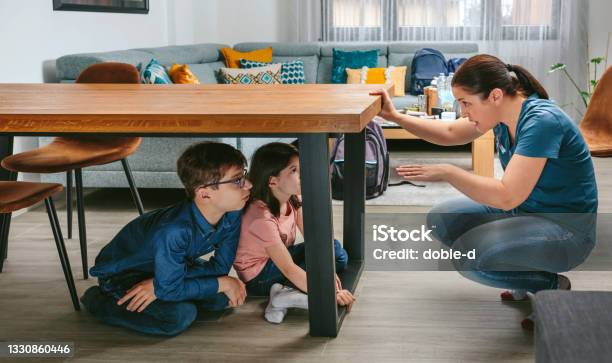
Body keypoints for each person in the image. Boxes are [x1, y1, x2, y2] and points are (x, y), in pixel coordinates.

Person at [371, 54, 598, 329]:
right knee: (442, 218)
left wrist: (449, 172)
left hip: (567, 231)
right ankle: (522, 271)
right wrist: (394, 116)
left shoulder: (541, 122)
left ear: (495, 96)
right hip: (526, 213)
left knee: (470, 259)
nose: (463, 111)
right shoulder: (501, 116)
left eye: (466, 103)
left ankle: (550, 285)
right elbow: (450, 132)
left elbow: (506, 195)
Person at [80, 141, 252, 336]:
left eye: (244, 175)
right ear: (204, 194)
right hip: (124, 274)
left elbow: (219, 269)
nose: (249, 184)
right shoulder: (174, 231)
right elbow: (217, 277)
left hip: (172, 266)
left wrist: (161, 285)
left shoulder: (233, 212)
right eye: (237, 180)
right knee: (179, 316)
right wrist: (224, 283)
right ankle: (99, 301)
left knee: (220, 298)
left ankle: (169, 286)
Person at [233, 142, 355, 323]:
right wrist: (329, 292)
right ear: (273, 181)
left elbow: (314, 239)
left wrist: (326, 272)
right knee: (321, 263)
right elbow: (288, 268)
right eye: (294, 171)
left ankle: (284, 295)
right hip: (259, 277)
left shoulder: (292, 197)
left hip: (279, 261)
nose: (303, 174)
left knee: (335, 252)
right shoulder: (261, 217)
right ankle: (285, 295)